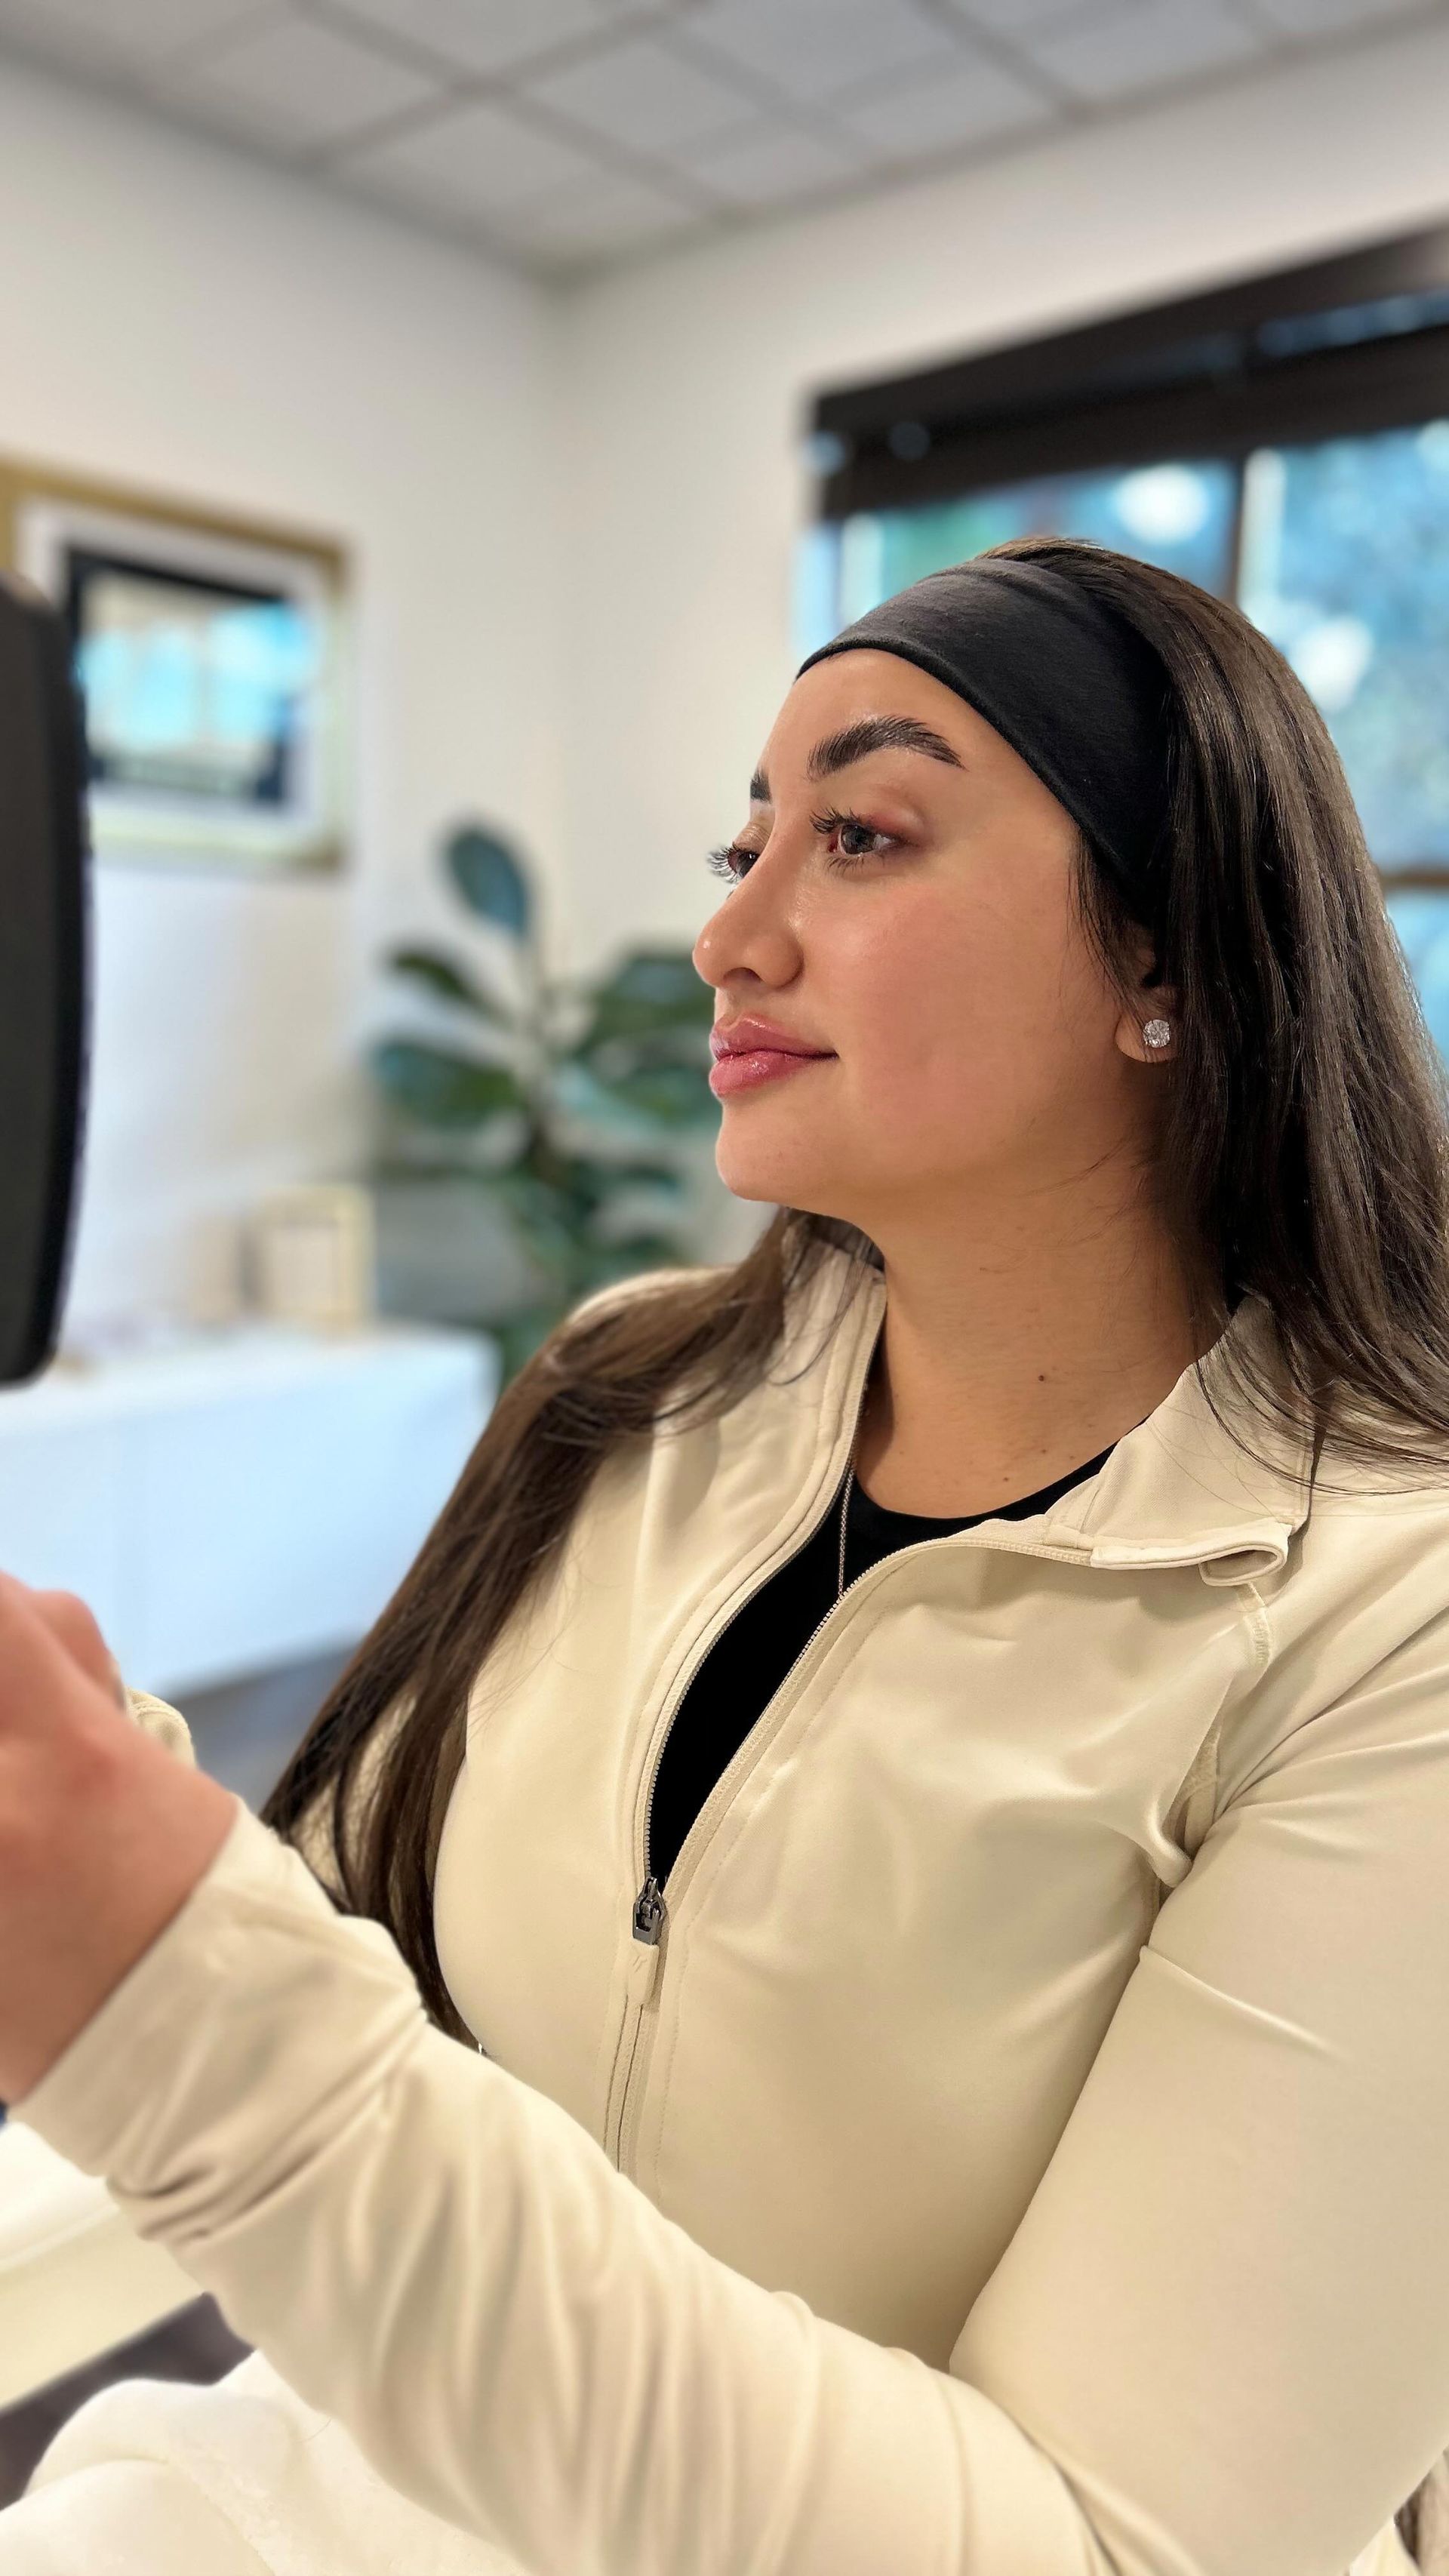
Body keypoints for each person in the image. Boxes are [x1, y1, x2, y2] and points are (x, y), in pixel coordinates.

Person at [2, 537, 1448, 2576]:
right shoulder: (629, 1390)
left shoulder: (1385, 1623)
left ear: (1168, 960)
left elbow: (1112, 2551)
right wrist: (78, 1780)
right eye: (742, 842)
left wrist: (180, 2008)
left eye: (859, 836)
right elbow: (339, 1929)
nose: (726, 936)